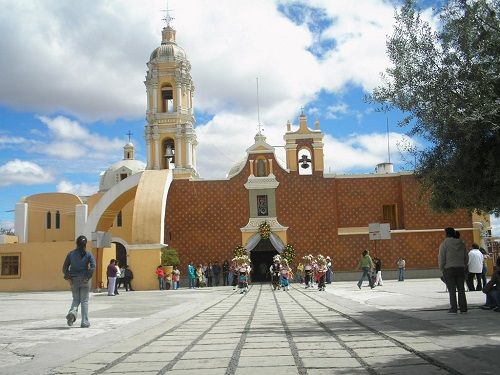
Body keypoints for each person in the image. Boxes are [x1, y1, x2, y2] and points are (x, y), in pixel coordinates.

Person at [62, 235, 96, 328]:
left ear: (76, 243)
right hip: (85, 280)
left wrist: (68, 277)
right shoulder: (88, 254)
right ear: (85, 244)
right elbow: (93, 266)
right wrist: (87, 276)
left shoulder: (71, 254)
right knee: (84, 301)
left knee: (76, 299)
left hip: (74, 280)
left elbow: (64, 267)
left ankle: (72, 313)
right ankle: (84, 322)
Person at [439, 227, 468, 313]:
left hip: (449, 269)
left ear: (446, 234)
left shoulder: (444, 243)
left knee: (452, 290)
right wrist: (464, 265)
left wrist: (442, 268)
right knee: (461, 290)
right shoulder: (461, 243)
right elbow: (466, 257)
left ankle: (454, 308)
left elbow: (441, 257)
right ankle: (463, 308)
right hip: (460, 268)